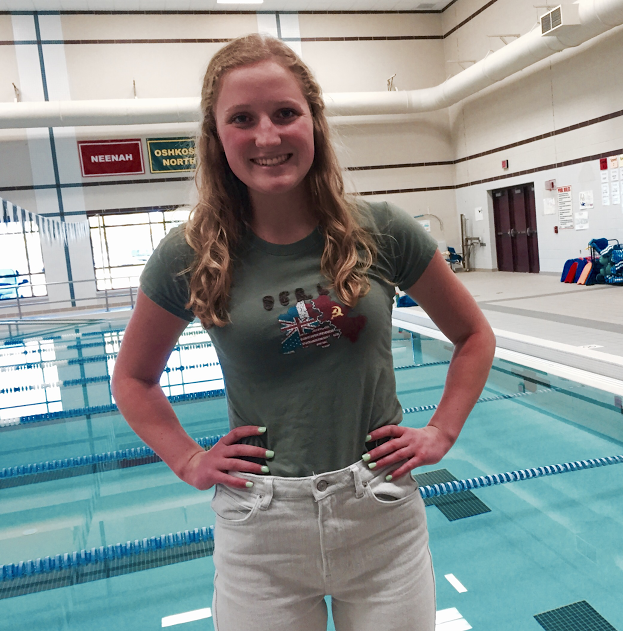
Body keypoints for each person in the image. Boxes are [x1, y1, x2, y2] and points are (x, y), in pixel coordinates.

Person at [111, 33, 495, 631]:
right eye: (242, 119)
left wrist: (441, 432)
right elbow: (134, 379)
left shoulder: (383, 229)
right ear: (217, 138)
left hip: (379, 511)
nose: (267, 136)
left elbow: (473, 336)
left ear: (313, 120)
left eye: (285, 113)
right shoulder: (191, 253)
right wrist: (189, 460)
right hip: (260, 530)